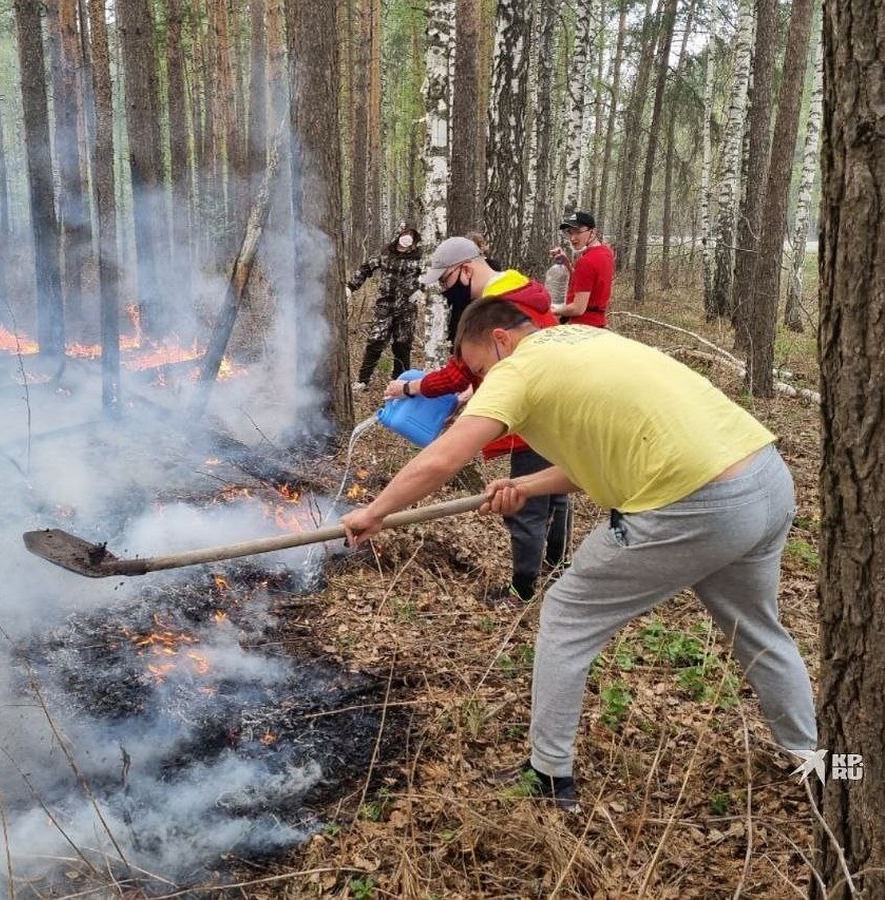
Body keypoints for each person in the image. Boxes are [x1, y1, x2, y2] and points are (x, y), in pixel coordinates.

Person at [342, 299, 818, 810]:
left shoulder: (519, 367)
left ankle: (548, 777)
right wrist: (526, 483)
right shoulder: (583, 341)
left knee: (566, 614)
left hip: (694, 503)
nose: (481, 381)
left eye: (478, 368)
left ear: (500, 339)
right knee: (759, 630)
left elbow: (445, 455)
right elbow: (611, 450)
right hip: (763, 479)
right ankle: (818, 761)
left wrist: (376, 511)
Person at [389, 236, 571, 604]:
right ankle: (557, 566)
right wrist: (477, 385)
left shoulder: (496, 307)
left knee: (525, 502)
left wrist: (409, 389)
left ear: (466, 270)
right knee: (555, 494)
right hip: (558, 407)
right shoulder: (524, 293)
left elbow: (456, 374)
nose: (444, 291)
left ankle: (521, 592)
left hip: (531, 414)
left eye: (445, 281)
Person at [347, 224, 424, 391]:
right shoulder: (385, 254)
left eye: (411, 235)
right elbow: (366, 268)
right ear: (398, 234)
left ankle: (400, 382)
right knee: (376, 341)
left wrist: (420, 290)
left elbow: (428, 276)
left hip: (407, 308)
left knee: (402, 345)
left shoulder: (418, 257)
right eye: (405, 233)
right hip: (385, 306)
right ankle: (362, 381)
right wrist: (351, 287)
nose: (408, 238)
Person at [554, 211, 614, 327]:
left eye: (578, 232)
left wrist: (553, 310)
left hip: (581, 327)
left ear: (593, 232)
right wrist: (567, 263)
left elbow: (578, 308)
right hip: (598, 323)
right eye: (570, 232)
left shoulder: (586, 261)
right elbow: (586, 282)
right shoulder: (606, 253)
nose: (572, 238)